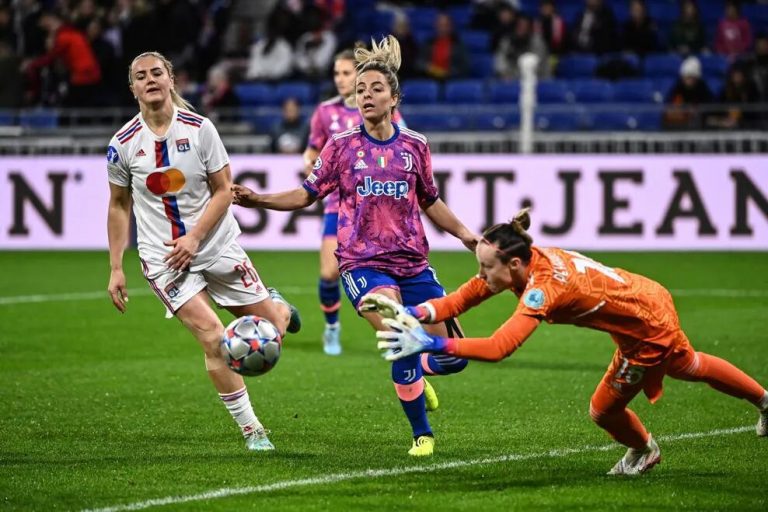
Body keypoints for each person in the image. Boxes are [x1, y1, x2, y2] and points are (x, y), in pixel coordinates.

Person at [370, 208, 768, 475]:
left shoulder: (544, 288)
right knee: (688, 365)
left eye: (486, 268)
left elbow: (499, 347)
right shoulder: (522, 260)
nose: (481, 276)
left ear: (512, 265)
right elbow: (460, 299)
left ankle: (645, 450)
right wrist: (414, 314)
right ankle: (765, 401)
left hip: (645, 330)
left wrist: (429, 343)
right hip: (648, 297)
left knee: (603, 412)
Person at [232, 35, 478, 457]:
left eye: (375, 89)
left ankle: (419, 370)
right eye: (360, 89)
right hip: (362, 263)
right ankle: (423, 434)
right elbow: (306, 194)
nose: (365, 95)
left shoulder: (415, 145)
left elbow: (430, 201)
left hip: (413, 263)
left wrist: (469, 237)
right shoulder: (342, 147)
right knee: (402, 331)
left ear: (394, 97)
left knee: (453, 357)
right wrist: (259, 199)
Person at [106, 51, 301, 452]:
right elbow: (119, 204)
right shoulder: (122, 145)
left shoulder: (200, 129)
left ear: (171, 78)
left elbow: (223, 190)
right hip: (165, 261)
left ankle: (278, 308)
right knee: (214, 338)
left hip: (216, 245)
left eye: (157, 73)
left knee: (273, 333)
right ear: (133, 89)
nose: (150, 80)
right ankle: (253, 431)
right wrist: (116, 267)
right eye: (141, 77)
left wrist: (194, 237)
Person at [302, 47, 406, 356]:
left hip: (375, 205)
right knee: (328, 272)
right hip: (338, 204)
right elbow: (312, 150)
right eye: (337, 73)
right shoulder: (324, 112)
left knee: (391, 271)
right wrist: (310, 162)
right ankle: (332, 328)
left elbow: (397, 141)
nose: (341, 79)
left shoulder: (378, 106)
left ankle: (402, 330)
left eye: (347, 73)